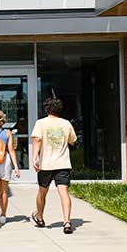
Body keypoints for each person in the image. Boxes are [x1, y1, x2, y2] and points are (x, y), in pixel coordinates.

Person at [30, 97, 77, 234]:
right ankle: (67, 222)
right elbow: (73, 141)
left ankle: (40, 218)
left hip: (46, 164)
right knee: (64, 193)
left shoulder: (41, 123)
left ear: (46, 109)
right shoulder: (66, 123)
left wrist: (34, 158)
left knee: (42, 192)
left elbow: (37, 140)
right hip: (63, 163)